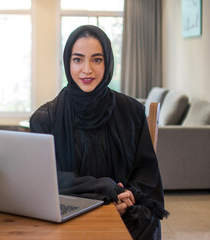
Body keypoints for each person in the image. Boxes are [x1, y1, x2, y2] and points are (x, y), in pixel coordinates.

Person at [29, 25, 168, 240]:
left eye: (96, 59)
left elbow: (146, 173)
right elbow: (46, 181)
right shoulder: (45, 119)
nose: (87, 70)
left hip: (127, 212)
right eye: (78, 59)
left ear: (108, 62)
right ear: (67, 62)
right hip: (70, 213)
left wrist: (125, 197)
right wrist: (103, 193)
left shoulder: (131, 111)